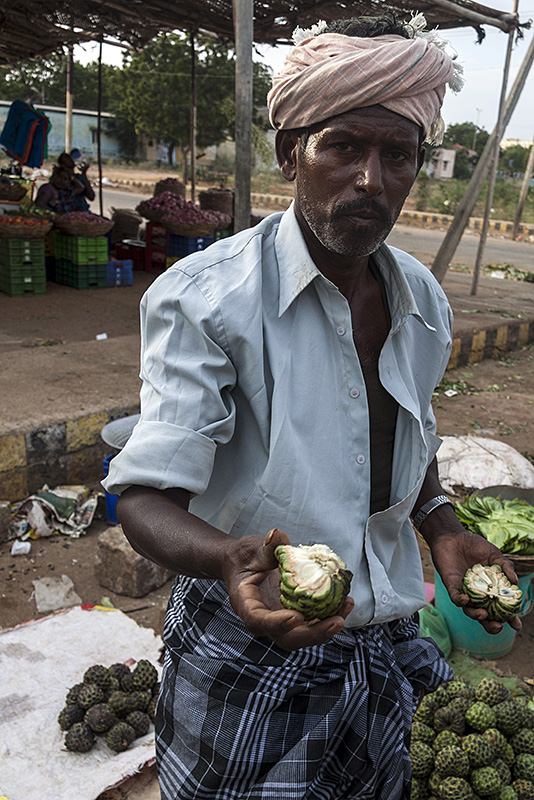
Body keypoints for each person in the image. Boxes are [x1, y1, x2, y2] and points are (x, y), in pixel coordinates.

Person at [103, 13, 521, 799]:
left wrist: (443, 527)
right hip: (250, 638)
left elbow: (404, 430)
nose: (371, 178)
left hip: (387, 637)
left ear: (418, 166)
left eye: (397, 154)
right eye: (343, 147)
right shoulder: (207, 299)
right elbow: (145, 497)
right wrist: (228, 559)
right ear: (291, 151)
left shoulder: (422, 299)